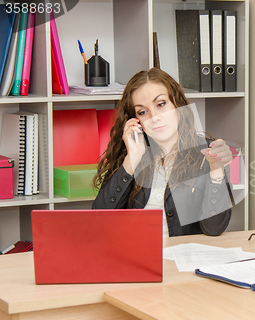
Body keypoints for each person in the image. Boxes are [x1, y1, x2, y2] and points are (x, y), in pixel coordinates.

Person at [92, 68, 233, 237]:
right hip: (135, 255)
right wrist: (132, 159)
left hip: (182, 259)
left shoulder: (207, 153)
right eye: (142, 112)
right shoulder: (131, 152)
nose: (154, 117)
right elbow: (98, 220)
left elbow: (214, 228)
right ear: (135, 121)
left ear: (177, 104)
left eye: (161, 104)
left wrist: (216, 171)